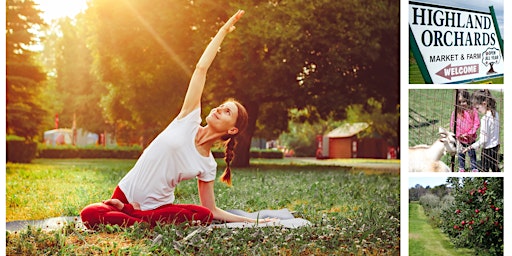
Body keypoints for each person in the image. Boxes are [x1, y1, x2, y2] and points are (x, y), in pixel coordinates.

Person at [80, 10, 275, 229]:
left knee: (202, 215)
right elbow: (201, 69)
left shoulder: (208, 164)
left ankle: (132, 216)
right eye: (222, 105)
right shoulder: (189, 118)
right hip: (124, 196)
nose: (220, 109)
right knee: (89, 214)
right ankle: (135, 216)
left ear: (232, 130)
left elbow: (212, 210)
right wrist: (222, 32)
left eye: (228, 112)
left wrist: (253, 221)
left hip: (158, 208)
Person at [462, 89, 500, 172]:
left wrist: (469, 147)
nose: (477, 111)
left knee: (484, 169)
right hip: (496, 147)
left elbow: (483, 140)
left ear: (484, 104)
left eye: (477, 108)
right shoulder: (495, 113)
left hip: (488, 150)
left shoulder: (485, 119)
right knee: (495, 167)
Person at [450, 89, 480, 172]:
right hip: (460, 139)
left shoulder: (473, 111)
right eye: (459, 102)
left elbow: (476, 123)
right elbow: (453, 125)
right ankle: (461, 168)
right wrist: (458, 134)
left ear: (468, 100)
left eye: (464, 101)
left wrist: (469, 133)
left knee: (472, 154)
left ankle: (474, 168)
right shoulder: (455, 112)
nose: (462, 104)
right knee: (460, 154)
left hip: (471, 139)